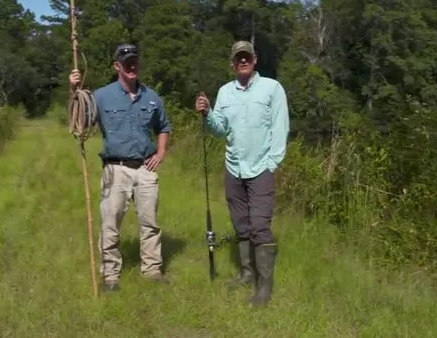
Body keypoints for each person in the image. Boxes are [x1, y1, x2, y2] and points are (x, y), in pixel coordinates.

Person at [69, 43, 172, 292]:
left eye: (135, 61)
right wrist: (73, 91)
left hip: (145, 169)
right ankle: (111, 275)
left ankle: (151, 270)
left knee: (149, 223)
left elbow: (164, 127)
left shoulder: (152, 97)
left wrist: (160, 152)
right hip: (116, 169)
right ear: (117, 66)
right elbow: (81, 122)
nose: (132, 65)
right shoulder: (102, 96)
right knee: (110, 223)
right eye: (126, 62)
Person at [194, 40, 290, 306]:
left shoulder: (272, 88)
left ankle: (264, 287)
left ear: (255, 59)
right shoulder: (225, 92)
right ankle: (247, 273)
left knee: (260, 227)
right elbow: (219, 129)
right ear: (232, 63)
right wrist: (207, 114)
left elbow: (280, 127)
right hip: (233, 168)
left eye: (247, 56)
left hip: (261, 169)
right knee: (241, 225)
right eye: (238, 58)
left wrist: (272, 163)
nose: (243, 61)